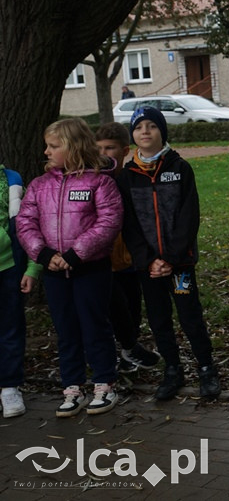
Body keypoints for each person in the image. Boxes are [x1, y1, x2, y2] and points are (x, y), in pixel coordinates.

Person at [16, 118, 123, 417]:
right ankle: (72, 387)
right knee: (66, 330)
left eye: (53, 146)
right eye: (46, 146)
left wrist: (76, 254)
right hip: (53, 272)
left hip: (90, 270)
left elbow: (109, 222)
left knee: (94, 325)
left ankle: (104, 383)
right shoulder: (39, 185)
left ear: (73, 147)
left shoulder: (100, 182)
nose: (46, 152)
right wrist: (44, 253)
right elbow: (25, 223)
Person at [118, 107, 220, 400]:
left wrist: (172, 259)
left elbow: (189, 216)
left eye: (152, 125)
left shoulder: (179, 168)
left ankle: (206, 367)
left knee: (190, 316)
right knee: (159, 319)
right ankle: (172, 369)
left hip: (180, 266)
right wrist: (149, 260)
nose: (146, 131)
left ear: (163, 131)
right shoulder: (127, 177)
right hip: (148, 269)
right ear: (133, 135)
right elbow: (129, 225)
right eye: (139, 127)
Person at [95, 122, 160, 373]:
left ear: (124, 150)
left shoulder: (131, 178)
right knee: (111, 306)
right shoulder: (93, 180)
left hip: (131, 258)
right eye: (98, 148)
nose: (103, 153)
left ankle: (128, 352)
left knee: (132, 305)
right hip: (104, 258)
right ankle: (119, 348)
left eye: (109, 148)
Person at [1, 162, 43, 418]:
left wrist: (31, 268)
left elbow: (26, 226)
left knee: (9, 327)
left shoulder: (12, 179)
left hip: (7, 268)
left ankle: (9, 387)